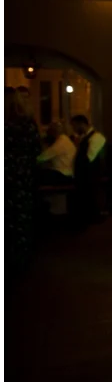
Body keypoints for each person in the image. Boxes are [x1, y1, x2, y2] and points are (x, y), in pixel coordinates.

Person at [5, 87, 42, 271]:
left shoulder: (5, 126)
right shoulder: (28, 124)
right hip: (24, 174)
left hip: (7, 174)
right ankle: (22, 255)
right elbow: (37, 150)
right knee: (22, 215)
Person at [71, 114, 107, 226]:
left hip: (90, 175)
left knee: (89, 197)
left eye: (75, 126)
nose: (74, 129)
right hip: (86, 175)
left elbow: (89, 158)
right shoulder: (87, 137)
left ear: (82, 125)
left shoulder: (96, 137)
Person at [37, 121, 76, 186]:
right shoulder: (65, 140)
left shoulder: (60, 143)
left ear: (53, 132)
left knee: (37, 175)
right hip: (68, 174)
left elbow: (43, 157)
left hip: (63, 175)